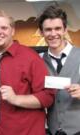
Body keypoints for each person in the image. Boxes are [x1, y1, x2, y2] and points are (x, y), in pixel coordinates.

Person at [0, 11, 55, 135]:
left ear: (12, 31)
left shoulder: (31, 57)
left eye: (4, 28)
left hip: (24, 131)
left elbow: (48, 96)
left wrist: (16, 99)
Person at [38, 4, 80, 135]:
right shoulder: (38, 61)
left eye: (57, 28)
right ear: (41, 32)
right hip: (51, 129)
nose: (53, 34)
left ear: (65, 29)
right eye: (48, 29)